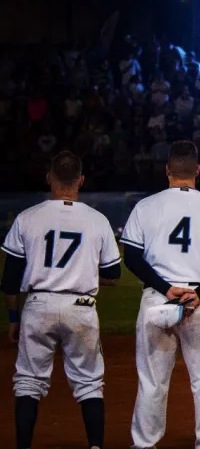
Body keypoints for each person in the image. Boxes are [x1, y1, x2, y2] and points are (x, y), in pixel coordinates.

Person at [122, 140, 200, 449]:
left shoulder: (146, 206)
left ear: (167, 171)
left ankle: (145, 444)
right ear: (198, 170)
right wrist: (198, 292)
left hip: (157, 301)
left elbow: (132, 258)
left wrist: (165, 289)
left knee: (152, 381)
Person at [2, 151, 121, 449]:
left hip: (37, 305)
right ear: (80, 180)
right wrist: (83, 270)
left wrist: (13, 318)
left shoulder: (27, 217)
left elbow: (10, 279)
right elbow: (113, 273)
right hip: (80, 307)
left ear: (49, 177)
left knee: (29, 381)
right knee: (89, 383)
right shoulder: (97, 219)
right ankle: (95, 446)